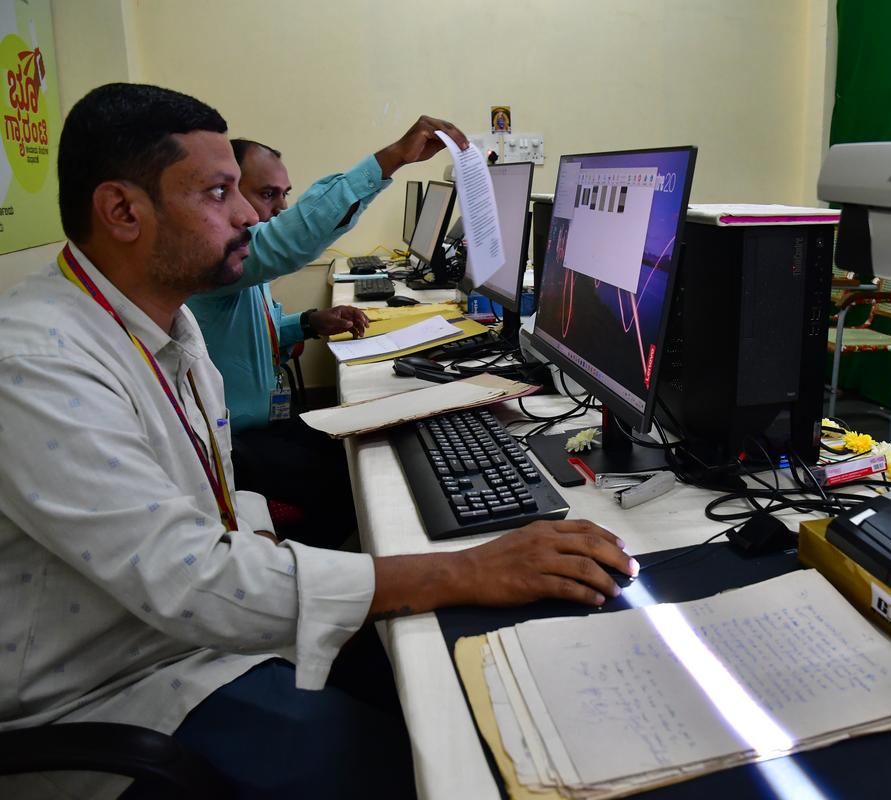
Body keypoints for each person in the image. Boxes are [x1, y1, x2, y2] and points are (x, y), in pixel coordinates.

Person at [0, 82, 635, 800]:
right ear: (121, 211)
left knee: (456, 661)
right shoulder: (35, 366)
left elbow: (211, 482)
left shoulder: (162, 325)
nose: (247, 216)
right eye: (217, 193)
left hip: (193, 637)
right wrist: (462, 569)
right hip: (116, 698)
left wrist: (263, 540)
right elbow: (192, 581)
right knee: (426, 762)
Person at [185, 134, 396, 549]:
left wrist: (308, 323)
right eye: (267, 194)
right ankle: (314, 561)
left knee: (362, 441)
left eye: (285, 195)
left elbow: (245, 333)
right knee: (356, 476)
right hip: (235, 444)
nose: (280, 208)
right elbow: (289, 239)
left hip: (262, 427)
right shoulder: (215, 259)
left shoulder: (244, 271)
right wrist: (390, 160)